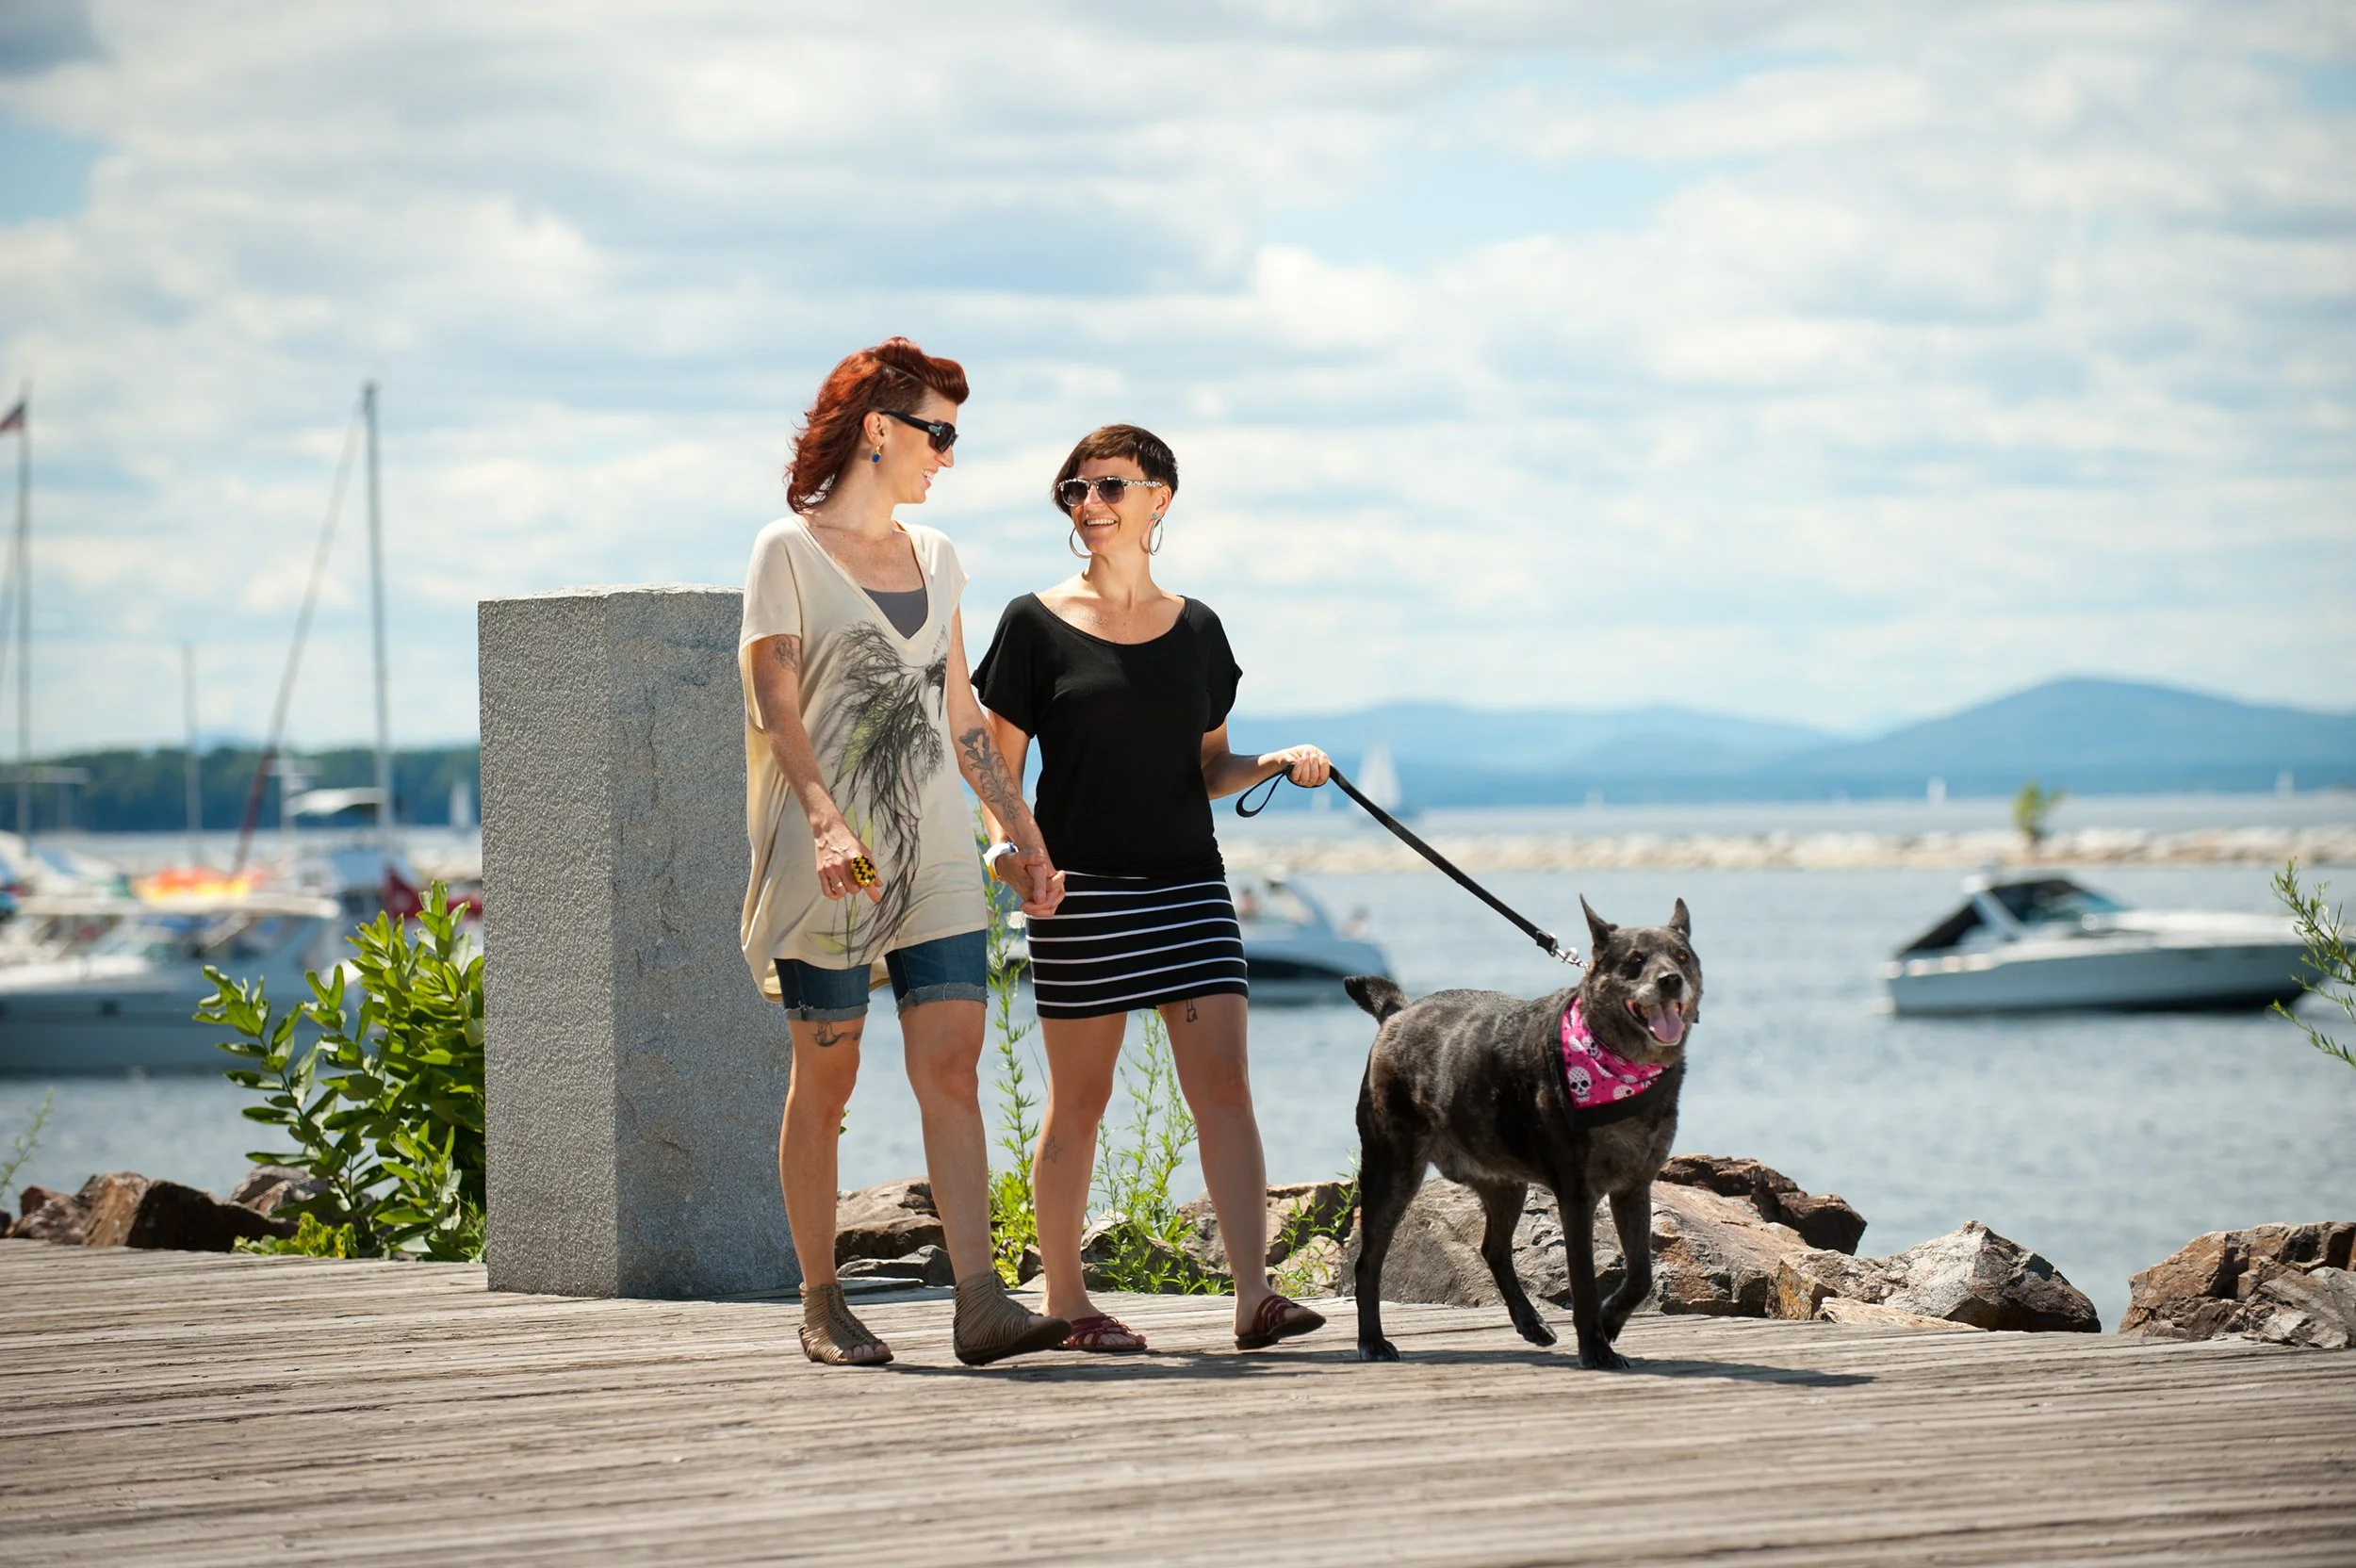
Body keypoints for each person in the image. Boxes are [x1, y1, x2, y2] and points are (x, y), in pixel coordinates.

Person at [739, 337, 1071, 1368]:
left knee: (954, 1068)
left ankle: (980, 1298)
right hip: (830, 855)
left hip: (933, 852)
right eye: (939, 432)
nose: (948, 456)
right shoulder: (784, 553)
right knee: (826, 1080)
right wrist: (826, 817)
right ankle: (821, 1297)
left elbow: (962, 712)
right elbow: (774, 699)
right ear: (879, 428)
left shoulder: (938, 558)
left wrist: (1021, 831)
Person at [973, 423, 1333, 1353]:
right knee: (1077, 1103)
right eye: (1074, 491)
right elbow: (994, 771)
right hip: (1080, 892)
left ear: (1159, 497)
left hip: (1189, 885)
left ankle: (1255, 1295)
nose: (1088, 505)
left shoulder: (1199, 630)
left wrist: (1277, 762)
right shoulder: (1032, 623)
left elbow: (1209, 765)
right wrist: (1013, 858)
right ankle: (1067, 1298)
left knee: (1225, 1089)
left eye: (1108, 488)